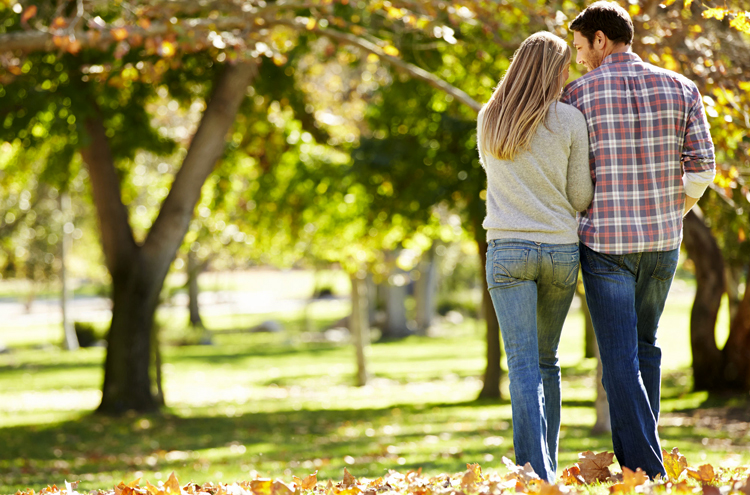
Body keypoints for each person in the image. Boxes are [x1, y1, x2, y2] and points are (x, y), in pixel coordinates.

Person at [561, 1, 716, 479]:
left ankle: (648, 468)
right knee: (644, 348)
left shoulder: (577, 95)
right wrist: (672, 211)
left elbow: (569, 175)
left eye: (581, 47)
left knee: (619, 360)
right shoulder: (682, 87)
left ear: (601, 40)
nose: (580, 58)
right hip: (663, 242)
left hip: (606, 244)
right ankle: (638, 468)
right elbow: (703, 169)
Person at [477, 31, 593, 483]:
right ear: (554, 71)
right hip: (560, 252)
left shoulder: (489, 118)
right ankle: (548, 469)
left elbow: (498, 179)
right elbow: (581, 196)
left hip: (507, 251)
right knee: (548, 360)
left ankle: (535, 473)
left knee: (523, 363)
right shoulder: (570, 120)